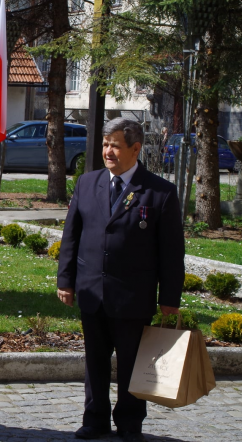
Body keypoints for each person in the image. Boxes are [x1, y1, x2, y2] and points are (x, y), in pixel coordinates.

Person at [57, 117, 185, 442]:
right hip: (91, 292)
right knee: (95, 363)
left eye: (115, 145)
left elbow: (171, 252)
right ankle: (95, 419)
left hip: (132, 297)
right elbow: (71, 236)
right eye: (104, 144)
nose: (108, 151)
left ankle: (130, 422)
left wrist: (170, 299)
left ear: (135, 148)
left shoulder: (160, 192)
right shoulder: (87, 184)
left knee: (131, 364)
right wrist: (65, 280)